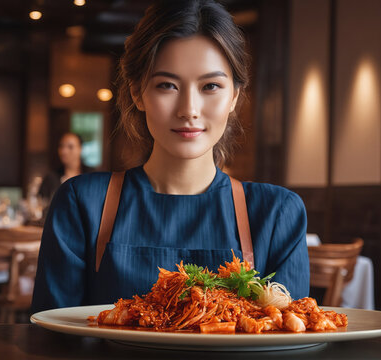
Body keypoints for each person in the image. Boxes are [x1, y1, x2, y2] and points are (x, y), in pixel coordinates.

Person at [31, 0, 309, 313]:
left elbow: (290, 336)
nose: (189, 109)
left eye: (211, 86)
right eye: (167, 85)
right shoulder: (83, 203)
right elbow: (52, 337)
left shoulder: (276, 214)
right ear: (137, 92)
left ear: (234, 96)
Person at [38, 133, 92, 202]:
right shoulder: (51, 177)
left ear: (80, 149)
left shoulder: (91, 176)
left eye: (70, 147)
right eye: (61, 146)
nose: (64, 151)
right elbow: (41, 201)